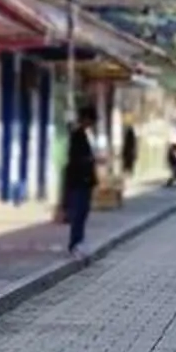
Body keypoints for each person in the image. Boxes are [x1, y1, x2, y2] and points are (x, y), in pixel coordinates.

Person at [61, 102, 100, 258]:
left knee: (83, 213)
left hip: (85, 181)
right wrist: (90, 159)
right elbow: (75, 159)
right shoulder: (77, 135)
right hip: (79, 181)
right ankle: (74, 243)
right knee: (78, 213)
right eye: (90, 120)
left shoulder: (84, 135)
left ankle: (80, 240)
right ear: (84, 119)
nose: (91, 124)